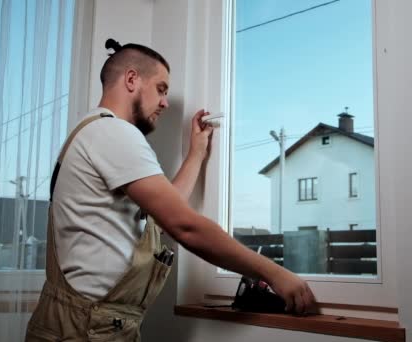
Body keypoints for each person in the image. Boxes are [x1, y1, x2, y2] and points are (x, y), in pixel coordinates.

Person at [24, 39, 316, 341]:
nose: (165, 102)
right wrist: (275, 273)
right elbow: (184, 225)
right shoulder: (113, 132)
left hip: (84, 322)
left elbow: (164, 213)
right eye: (161, 89)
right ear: (132, 79)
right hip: (82, 329)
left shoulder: (92, 130)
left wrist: (197, 153)